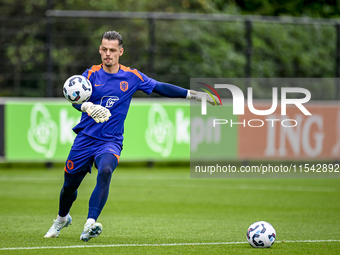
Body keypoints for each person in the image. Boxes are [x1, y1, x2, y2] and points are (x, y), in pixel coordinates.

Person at [44, 31, 220, 242]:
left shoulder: (132, 76)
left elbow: (160, 87)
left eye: (112, 50)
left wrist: (195, 95)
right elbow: (74, 97)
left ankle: (90, 223)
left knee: (106, 170)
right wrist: (86, 106)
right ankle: (62, 219)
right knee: (69, 186)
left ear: (121, 51)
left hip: (110, 141)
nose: (107, 54)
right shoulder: (90, 74)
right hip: (85, 139)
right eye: (104, 49)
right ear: (100, 50)